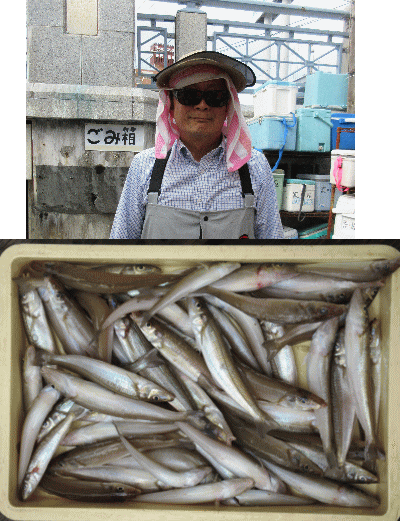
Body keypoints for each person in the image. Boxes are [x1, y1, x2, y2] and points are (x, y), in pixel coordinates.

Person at [110, 50, 284, 239]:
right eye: (189, 94)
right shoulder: (143, 166)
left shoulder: (255, 167)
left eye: (215, 95)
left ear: (228, 105)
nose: (202, 105)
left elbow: (272, 251)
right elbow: (121, 247)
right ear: (171, 105)